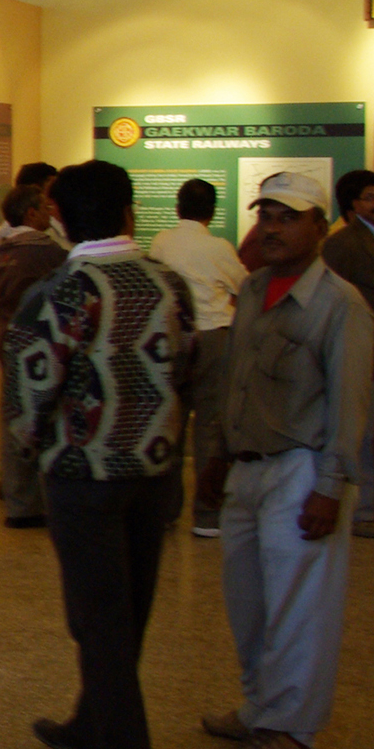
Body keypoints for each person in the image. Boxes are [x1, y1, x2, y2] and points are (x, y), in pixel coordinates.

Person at [7, 160, 194, 749]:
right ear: (128, 213)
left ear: (59, 216)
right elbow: (188, 366)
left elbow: (33, 384)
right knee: (127, 614)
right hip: (155, 470)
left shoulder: (65, 289)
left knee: (97, 623)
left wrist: (31, 446)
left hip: (85, 475)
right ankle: (92, 726)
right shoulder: (167, 282)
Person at [197, 172, 372, 749]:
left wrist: (331, 487)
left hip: (302, 468)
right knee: (248, 602)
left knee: (299, 606)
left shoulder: (340, 304)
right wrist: (216, 455)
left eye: (287, 216)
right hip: (247, 467)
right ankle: (258, 706)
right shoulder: (252, 291)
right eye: (265, 214)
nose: (271, 227)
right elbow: (232, 382)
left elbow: (350, 404)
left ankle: (291, 735)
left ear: (320, 228)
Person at [147, 178, 249, 537]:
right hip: (213, 337)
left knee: (169, 423)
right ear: (212, 211)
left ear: (177, 208)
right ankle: (207, 515)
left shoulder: (161, 240)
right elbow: (244, 286)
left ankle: (164, 510)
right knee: (209, 428)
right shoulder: (218, 247)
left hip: (172, 338)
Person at [318, 169, 374, 537]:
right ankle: (361, 512)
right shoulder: (344, 243)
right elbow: (330, 297)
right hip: (362, 352)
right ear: (354, 204)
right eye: (371, 198)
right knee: (364, 437)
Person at [0, 183, 67, 528]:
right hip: (39, 346)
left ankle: (18, 499)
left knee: (13, 419)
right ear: (30, 213)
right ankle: (33, 500)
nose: (51, 214)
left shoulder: (6, 249)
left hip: (8, 342)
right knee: (43, 419)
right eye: (44, 208)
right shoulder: (45, 252)